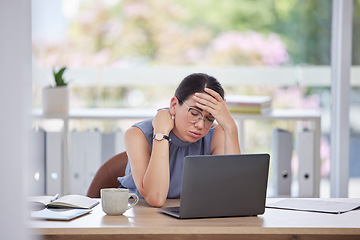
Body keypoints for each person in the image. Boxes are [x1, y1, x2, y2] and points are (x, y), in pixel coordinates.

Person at [118, 73, 241, 207]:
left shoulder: (215, 134)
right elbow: (156, 199)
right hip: (138, 214)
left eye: (210, 118)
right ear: (174, 104)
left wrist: (230, 127)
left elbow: (232, 194)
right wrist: (161, 133)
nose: (200, 125)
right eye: (194, 113)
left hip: (190, 215)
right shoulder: (137, 135)